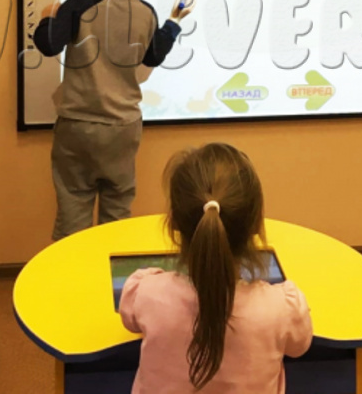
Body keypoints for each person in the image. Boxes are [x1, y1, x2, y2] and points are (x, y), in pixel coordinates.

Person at [32, 0, 193, 240]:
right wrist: (174, 21)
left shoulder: (78, 5)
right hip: (122, 127)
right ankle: (114, 267)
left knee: (72, 203)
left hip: (77, 125)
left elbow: (48, 45)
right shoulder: (145, 12)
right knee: (117, 208)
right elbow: (153, 57)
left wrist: (48, 17)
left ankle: (71, 268)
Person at [120, 144, 312, 393]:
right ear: (256, 224)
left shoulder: (145, 292)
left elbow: (130, 320)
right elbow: (299, 346)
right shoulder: (284, 308)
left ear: (174, 222)